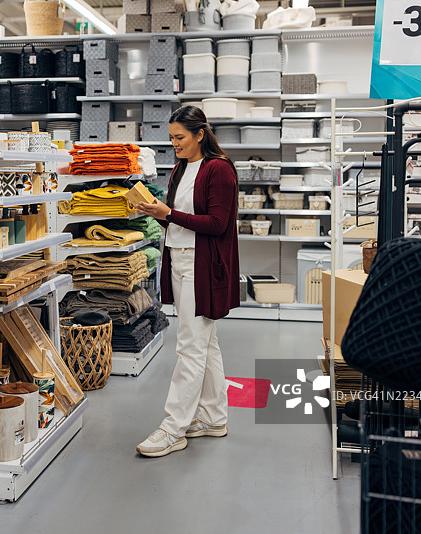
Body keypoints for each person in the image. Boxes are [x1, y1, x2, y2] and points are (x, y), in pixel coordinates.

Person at [134, 105, 240, 458]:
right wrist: (155, 213)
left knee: (190, 346)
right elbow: (179, 223)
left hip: (202, 266)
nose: (174, 144)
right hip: (179, 260)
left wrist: (169, 214)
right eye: (171, 138)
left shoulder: (219, 170)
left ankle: (173, 427)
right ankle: (212, 417)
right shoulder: (181, 168)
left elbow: (217, 224)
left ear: (200, 134)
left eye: (179, 137)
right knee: (204, 344)